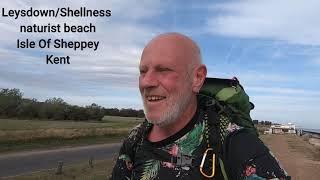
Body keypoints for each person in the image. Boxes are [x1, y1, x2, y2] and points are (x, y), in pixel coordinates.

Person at [111, 33, 290, 179]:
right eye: (143, 72)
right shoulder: (136, 137)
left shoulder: (233, 142)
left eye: (164, 70)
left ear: (197, 78)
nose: (146, 82)